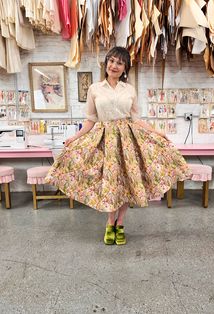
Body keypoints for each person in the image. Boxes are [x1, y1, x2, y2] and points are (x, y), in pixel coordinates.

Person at [45, 46, 191, 245]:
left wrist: (158, 132)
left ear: (125, 68)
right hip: (105, 141)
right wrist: (74, 137)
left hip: (127, 142)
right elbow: (90, 120)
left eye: (119, 63)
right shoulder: (95, 89)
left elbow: (136, 119)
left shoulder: (129, 89)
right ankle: (109, 223)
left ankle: (120, 224)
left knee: (126, 183)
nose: (114, 65)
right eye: (111, 61)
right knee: (111, 184)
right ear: (106, 63)